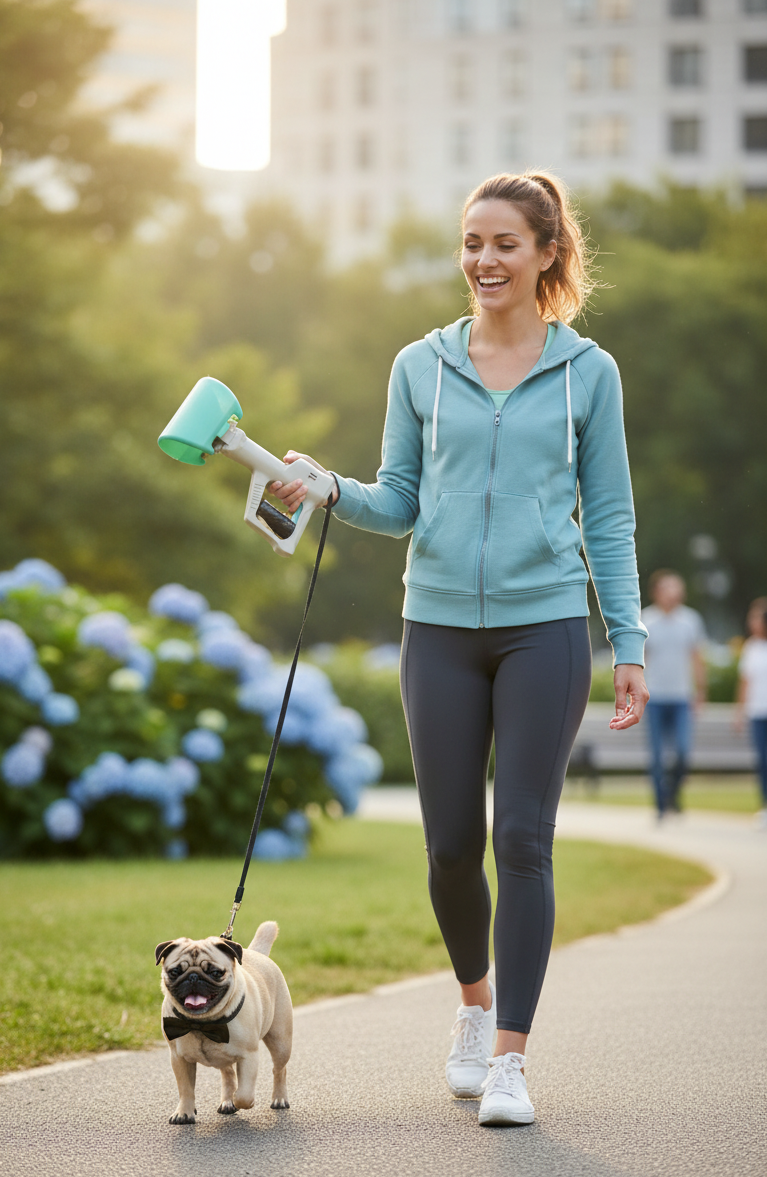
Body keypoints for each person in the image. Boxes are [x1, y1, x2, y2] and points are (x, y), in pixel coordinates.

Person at [270, 172, 648, 1127]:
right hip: (437, 625)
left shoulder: (588, 374)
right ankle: (474, 1007)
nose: (483, 259)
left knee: (522, 835)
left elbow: (608, 518)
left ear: (547, 254)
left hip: (545, 625)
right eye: (472, 242)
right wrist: (330, 490)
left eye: (504, 244)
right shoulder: (419, 365)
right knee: (449, 847)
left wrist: (630, 641)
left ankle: (513, 1059)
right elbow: (401, 499)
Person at [641, 570, 707, 820]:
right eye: (669, 588)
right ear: (657, 591)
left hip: (681, 697)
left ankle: (672, 794)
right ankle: (660, 806)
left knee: (682, 752)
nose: (675, 593)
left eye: (678, 588)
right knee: (657, 755)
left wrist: (700, 692)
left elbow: (697, 658)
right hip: (654, 697)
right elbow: (640, 659)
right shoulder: (645, 619)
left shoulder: (691, 620)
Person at [735, 598, 767, 829]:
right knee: (762, 762)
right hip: (758, 712)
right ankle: (765, 806)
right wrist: (739, 713)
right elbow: (745, 683)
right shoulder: (750, 648)